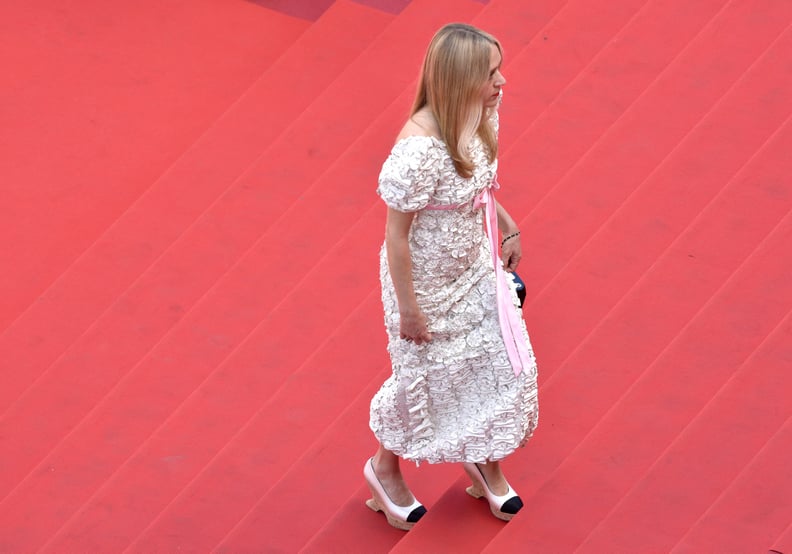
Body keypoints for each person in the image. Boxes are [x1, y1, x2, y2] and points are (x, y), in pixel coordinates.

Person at [363, 23, 539, 530]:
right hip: (424, 286)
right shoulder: (417, 151)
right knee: (423, 379)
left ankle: (485, 461)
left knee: (499, 364)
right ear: (462, 79)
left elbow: (477, 187)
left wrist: (506, 225)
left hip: (475, 265)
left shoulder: (481, 114)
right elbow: (398, 237)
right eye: (491, 73)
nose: (503, 81)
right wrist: (410, 310)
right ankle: (384, 471)